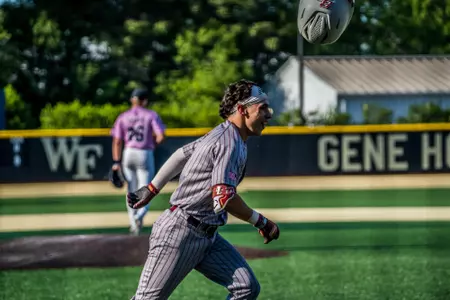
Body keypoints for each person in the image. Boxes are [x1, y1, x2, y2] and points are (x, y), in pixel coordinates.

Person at [126, 79, 280, 300]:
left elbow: (181, 154)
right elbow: (224, 198)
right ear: (241, 109)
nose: (269, 114)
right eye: (262, 107)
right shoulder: (229, 141)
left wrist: (152, 188)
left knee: (246, 288)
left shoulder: (226, 134)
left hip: (207, 235)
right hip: (179, 233)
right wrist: (261, 221)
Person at [110, 88, 166, 235]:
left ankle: (133, 223)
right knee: (146, 189)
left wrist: (116, 162)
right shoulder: (150, 115)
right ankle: (139, 216)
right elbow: (160, 136)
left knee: (131, 190)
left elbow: (116, 141)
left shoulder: (123, 116)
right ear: (145, 100)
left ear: (132, 100)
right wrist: (152, 142)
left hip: (128, 153)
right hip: (144, 152)